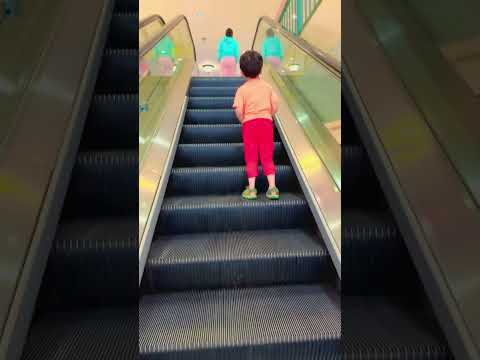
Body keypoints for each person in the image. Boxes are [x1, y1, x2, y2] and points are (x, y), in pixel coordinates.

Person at [233, 50, 280, 200]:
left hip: (249, 125)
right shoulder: (267, 87)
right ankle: (272, 188)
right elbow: (275, 103)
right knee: (267, 155)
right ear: (261, 68)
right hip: (266, 123)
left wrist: (243, 119)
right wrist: (269, 114)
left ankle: (252, 189)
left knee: (251, 156)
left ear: (242, 72)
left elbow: (239, 109)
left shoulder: (241, 90)